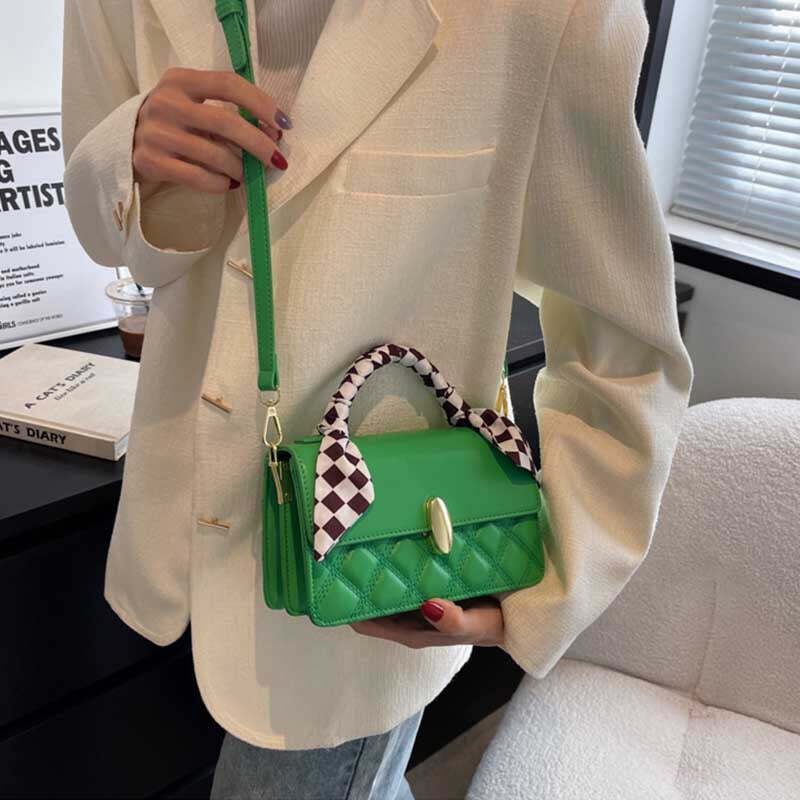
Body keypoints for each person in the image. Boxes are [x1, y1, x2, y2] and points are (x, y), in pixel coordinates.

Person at [61, 0, 694, 797]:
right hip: (171, 525)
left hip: (370, 565)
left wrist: (554, 576)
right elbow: (109, 235)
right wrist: (132, 155)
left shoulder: (545, 12)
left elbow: (623, 344)